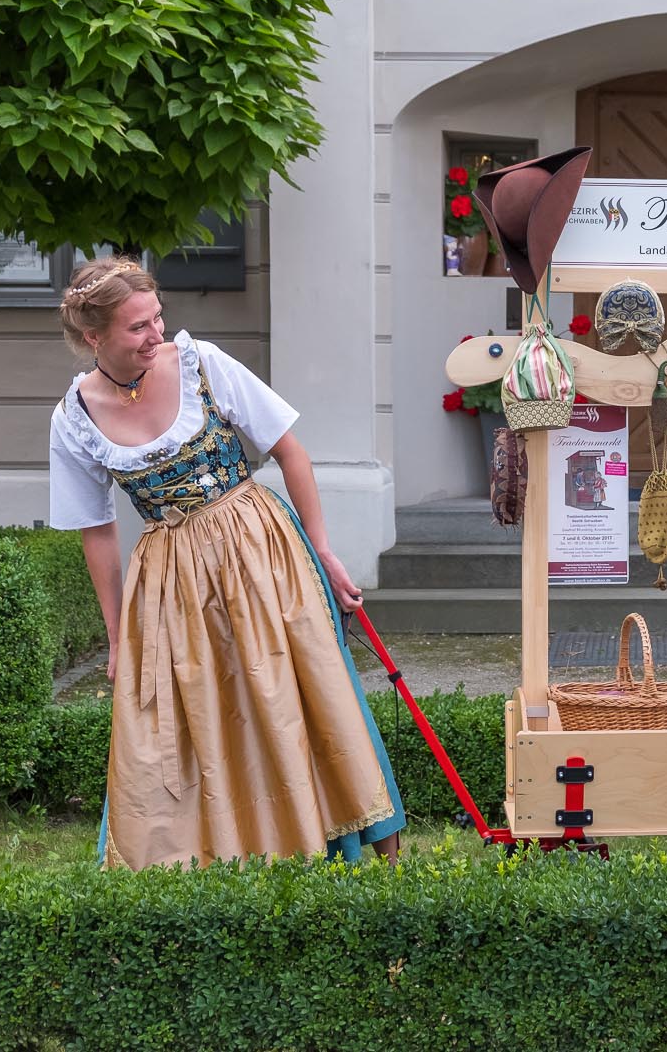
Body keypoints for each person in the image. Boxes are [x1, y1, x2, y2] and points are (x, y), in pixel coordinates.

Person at [48, 257, 405, 869]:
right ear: (93, 338)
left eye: (157, 316)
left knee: (300, 687)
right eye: (137, 327)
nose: (156, 333)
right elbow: (97, 531)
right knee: (191, 713)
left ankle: (347, 840)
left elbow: (290, 451)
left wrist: (323, 551)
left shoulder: (202, 365)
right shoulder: (73, 420)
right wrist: (115, 637)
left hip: (257, 547)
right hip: (170, 575)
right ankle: (217, 852)